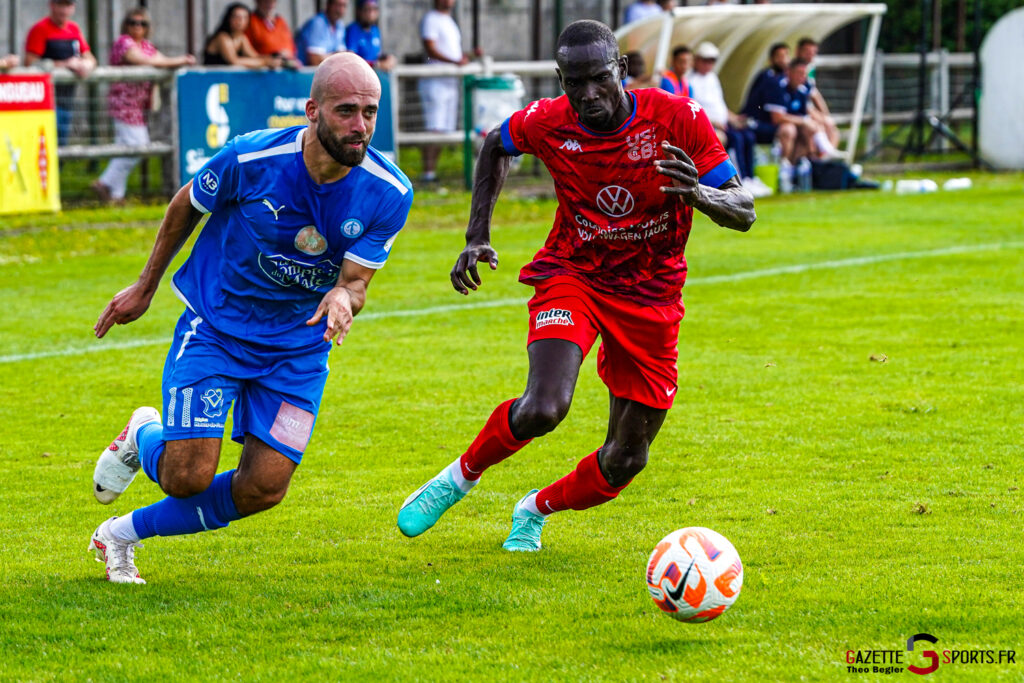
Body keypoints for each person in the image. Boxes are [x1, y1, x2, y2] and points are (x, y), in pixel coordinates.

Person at [397, 20, 755, 551]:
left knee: (626, 457)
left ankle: (535, 507)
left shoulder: (677, 118)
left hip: (652, 295)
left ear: (622, 71)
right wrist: (476, 235)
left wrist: (700, 194)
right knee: (545, 406)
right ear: (561, 80)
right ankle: (459, 477)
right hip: (575, 274)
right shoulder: (549, 121)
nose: (588, 94)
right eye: (574, 82)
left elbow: (744, 209)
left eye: (599, 79)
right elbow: (495, 145)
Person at [88, 53, 413, 584]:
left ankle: (120, 534)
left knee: (262, 489)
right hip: (218, 327)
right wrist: (145, 287)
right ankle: (144, 432)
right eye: (346, 111)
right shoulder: (251, 157)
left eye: (371, 113)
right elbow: (186, 204)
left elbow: (356, 283)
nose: (361, 127)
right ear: (313, 110)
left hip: (298, 349)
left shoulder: (390, 192)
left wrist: (342, 299)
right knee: (186, 477)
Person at [92, 8, 196, 204]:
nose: (137, 27)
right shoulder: (123, 43)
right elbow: (145, 60)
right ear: (126, 24)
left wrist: (173, 61)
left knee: (126, 147)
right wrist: (180, 60)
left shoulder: (147, 45)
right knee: (138, 147)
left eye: (142, 23)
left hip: (138, 106)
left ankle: (115, 195)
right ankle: (105, 183)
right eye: (133, 22)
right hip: (123, 104)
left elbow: (161, 60)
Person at [688, 42, 770, 197]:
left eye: (712, 61)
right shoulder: (691, 81)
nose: (708, 64)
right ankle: (740, 179)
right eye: (705, 60)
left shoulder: (712, 78)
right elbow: (693, 108)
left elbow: (720, 105)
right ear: (697, 60)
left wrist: (735, 118)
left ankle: (750, 177)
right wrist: (713, 122)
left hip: (723, 123)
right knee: (737, 139)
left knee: (749, 136)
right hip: (709, 126)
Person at [23, 0, 97, 144]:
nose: (64, 10)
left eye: (68, 5)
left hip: (67, 99)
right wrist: (65, 64)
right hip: (46, 102)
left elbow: (90, 57)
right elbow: (30, 63)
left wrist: (87, 64)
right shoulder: (40, 29)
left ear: (73, 8)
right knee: (48, 145)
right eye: (60, 5)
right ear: (52, 5)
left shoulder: (74, 29)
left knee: (62, 144)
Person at [418, 0, 472, 183]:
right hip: (435, 82)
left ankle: (432, 172)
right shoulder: (431, 19)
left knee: (443, 129)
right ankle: (428, 172)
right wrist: (455, 62)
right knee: (434, 128)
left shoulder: (450, 21)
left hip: (450, 82)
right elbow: (430, 48)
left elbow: (452, 53)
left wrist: (467, 56)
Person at [795, 37, 840, 154]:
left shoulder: (810, 69)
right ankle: (823, 158)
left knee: (830, 126)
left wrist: (825, 115)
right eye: (807, 52)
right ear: (798, 51)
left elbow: (815, 95)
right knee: (817, 127)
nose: (810, 56)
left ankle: (827, 159)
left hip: (807, 109)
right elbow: (797, 99)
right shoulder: (795, 69)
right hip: (798, 111)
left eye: (813, 53)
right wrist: (816, 116)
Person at [204, 3, 282, 68]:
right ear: (229, 19)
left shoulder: (241, 38)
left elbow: (254, 56)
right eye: (237, 17)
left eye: (245, 17)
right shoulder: (222, 37)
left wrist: (272, 59)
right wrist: (264, 62)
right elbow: (234, 61)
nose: (240, 21)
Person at [742, 42, 788, 145]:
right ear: (771, 59)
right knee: (788, 130)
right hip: (756, 121)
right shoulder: (768, 78)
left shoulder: (785, 79)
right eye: (779, 56)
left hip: (769, 121)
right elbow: (776, 116)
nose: (783, 60)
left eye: (785, 56)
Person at [245, 0, 300, 68]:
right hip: (262, 69)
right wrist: (270, 57)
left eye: (273, 1)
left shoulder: (280, 21)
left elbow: (291, 46)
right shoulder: (250, 21)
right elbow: (246, 51)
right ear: (258, 2)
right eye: (266, 1)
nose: (270, 4)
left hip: (285, 67)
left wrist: (287, 55)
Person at [345, 0, 396, 71]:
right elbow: (351, 59)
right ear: (359, 11)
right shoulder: (353, 30)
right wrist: (376, 64)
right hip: (360, 72)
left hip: (376, 72)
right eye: (367, 9)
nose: (371, 14)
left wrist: (388, 58)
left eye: (374, 9)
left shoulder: (376, 30)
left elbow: (377, 55)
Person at [295, 0, 348, 66]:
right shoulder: (317, 23)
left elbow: (343, 56)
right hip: (304, 74)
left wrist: (329, 56)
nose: (340, 10)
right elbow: (315, 60)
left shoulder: (340, 25)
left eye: (344, 6)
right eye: (338, 5)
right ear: (328, 5)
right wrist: (337, 56)